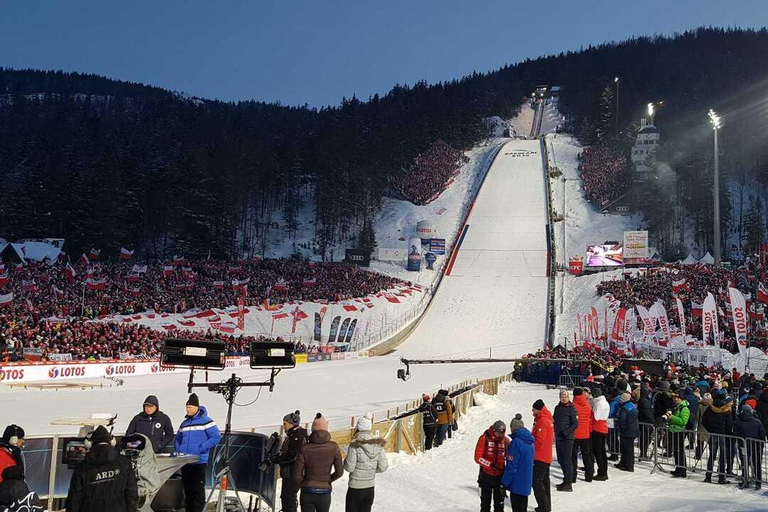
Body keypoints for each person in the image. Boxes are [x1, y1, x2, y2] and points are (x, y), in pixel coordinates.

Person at [65, 426, 138, 512]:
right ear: (112, 442)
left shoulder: (82, 468)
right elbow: (132, 493)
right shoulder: (124, 463)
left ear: (89, 444)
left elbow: (75, 498)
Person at [174, 393, 222, 512]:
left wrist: (201, 448)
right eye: (186, 407)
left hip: (199, 461)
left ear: (196, 407)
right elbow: (178, 439)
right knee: (187, 489)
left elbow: (216, 437)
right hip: (185, 461)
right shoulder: (184, 423)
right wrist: (179, 449)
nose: (188, 409)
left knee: (198, 490)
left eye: (190, 407)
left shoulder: (207, 421)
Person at [295, 413, 343, 512]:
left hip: (307, 490)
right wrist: (328, 480)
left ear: (313, 429)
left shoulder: (304, 448)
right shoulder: (334, 447)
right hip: (324, 492)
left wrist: (304, 482)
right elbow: (339, 472)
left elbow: (297, 474)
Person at [344, 413, 388, 512]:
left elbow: (349, 467)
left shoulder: (355, 444)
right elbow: (383, 466)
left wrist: (345, 462)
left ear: (358, 428)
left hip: (355, 487)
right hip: (370, 488)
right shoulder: (378, 444)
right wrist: (371, 470)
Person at [474, 420, 508, 512]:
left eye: (502, 433)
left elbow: (511, 457)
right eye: (498, 433)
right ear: (494, 430)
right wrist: (490, 465)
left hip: (499, 477)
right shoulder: (484, 438)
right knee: (485, 504)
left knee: (499, 505)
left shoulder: (505, 440)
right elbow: (477, 457)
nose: (500, 435)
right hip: (486, 476)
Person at [502, 414, 534, 512]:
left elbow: (512, 466)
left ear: (513, 429)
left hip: (517, 483)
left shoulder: (515, 443)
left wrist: (504, 482)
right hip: (526, 482)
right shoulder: (530, 441)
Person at [701, 388, 733, 484]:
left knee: (712, 456)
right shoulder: (727, 410)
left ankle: (708, 476)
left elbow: (704, 421)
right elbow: (729, 424)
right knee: (722, 456)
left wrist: (710, 430)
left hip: (714, 434)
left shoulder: (710, 409)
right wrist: (727, 432)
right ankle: (721, 478)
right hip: (722, 435)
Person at [732, 404, 765, 489]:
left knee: (744, 463)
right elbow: (762, 434)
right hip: (755, 446)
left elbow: (735, 433)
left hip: (743, 446)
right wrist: (761, 445)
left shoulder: (738, 422)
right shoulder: (757, 422)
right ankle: (758, 482)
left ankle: (745, 480)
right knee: (757, 464)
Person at [553, 389, 578, 492]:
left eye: (565, 397)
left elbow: (575, 424)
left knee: (567, 460)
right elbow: (554, 419)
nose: (564, 398)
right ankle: (566, 479)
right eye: (562, 397)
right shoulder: (557, 407)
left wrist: (566, 432)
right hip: (558, 437)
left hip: (567, 438)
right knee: (561, 460)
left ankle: (569, 483)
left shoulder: (571, 409)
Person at [531, 399, 553, 512]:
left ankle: (544, 506)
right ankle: (546, 506)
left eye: (534, 409)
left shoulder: (543, 421)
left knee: (537, 481)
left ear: (539, 409)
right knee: (544, 481)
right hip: (545, 455)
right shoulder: (543, 419)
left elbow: (539, 440)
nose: (532, 411)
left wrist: (530, 448)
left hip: (541, 456)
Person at [665, 392, 690, 478]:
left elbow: (683, 422)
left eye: (677, 397)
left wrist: (672, 417)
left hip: (680, 431)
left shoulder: (684, 408)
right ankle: (678, 468)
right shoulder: (676, 407)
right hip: (674, 431)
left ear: (681, 399)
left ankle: (682, 470)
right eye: (674, 397)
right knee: (676, 451)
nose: (675, 399)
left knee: (679, 451)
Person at [571, 388, 593, 483]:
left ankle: (573, 476)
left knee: (573, 456)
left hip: (575, 434)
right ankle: (589, 475)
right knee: (586, 455)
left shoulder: (573, 406)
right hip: (585, 433)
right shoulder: (587, 406)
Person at [590, 387, 609, 480]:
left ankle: (601, 472)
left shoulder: (598, 404)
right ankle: (604, 471)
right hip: (604, 428)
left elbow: (596, 417)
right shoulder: (605, 402)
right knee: (602, 452)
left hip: (597, 428)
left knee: (598, 452)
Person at [616, 392, 638, 472]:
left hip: (627, 432)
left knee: (627, 449)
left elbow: (622, 420)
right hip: (633, 430)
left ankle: (629, 465)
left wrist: (623, 429)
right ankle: (623, 463)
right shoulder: (632, 406)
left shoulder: (624, 408)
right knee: (628, 449)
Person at [634, 387, 654, 461]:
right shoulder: (645, 402)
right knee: (645, 439)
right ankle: (643, 454)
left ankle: (643, 453)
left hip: (643, 422)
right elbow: (647, 413)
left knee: (644, 439)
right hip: (646, 423)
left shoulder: (641, 400)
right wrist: (653, 421)